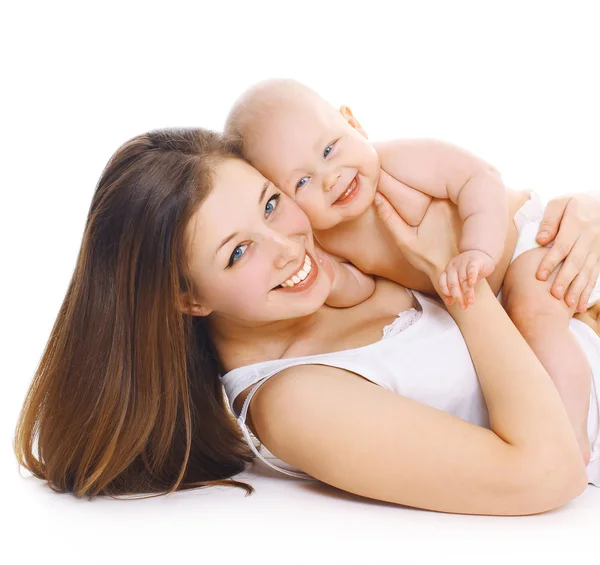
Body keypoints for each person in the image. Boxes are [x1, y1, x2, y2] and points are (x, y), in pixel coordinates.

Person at [13, 128, 600, 516]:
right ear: (186, 297)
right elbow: (547, 474)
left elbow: (512, 218)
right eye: (237, 252)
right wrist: (457, 280)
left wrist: (581, 216)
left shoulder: (331, 246)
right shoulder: (295, 400)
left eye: (270, 203)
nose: (289, 247)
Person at [224, 79, 600, 463]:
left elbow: (479, 177)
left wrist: (476, 249)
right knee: (518, 338)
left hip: (523, 245)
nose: (331, 177)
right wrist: (335, 283)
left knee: (533, 318)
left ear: (352, 123)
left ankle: (572, 432)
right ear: (284, 200)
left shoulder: (396, 164)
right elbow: (362, 288)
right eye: (302, 181)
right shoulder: (320, 237)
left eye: (329, 149)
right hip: (483, 294)